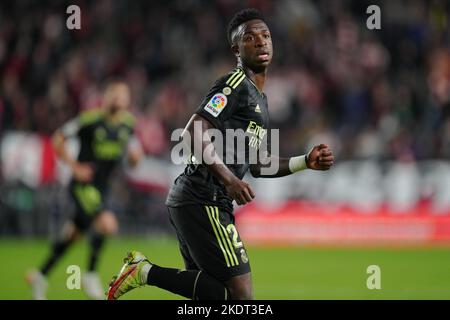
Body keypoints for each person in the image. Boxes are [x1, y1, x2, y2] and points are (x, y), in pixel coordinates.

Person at [107, 8, 334, 300]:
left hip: (200, 199)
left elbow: (259, 164)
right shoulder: (235, 84)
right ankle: (143, 271)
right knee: (241, 298)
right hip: (204, 197)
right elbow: (193, 130)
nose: (261, 42)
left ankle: (144, 271)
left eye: (265, 36)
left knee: (214, 297)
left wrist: (305, 161)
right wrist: (228, 179)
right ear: (236, 48)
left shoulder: (260, 99)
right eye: (249, 38)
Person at [27, 81, 143, 300]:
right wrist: (75, 167)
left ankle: (40, 275)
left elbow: (135, 157)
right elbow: (58, 138)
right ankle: (90, 274)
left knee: (73, 235)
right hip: (83, 186)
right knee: (107, 224)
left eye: (123, 95)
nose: (119, 99)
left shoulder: (128, 124)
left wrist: (135, 159)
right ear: (106, 97)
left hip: (103, 189)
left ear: (128, 100)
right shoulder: (90, 120)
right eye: (115, 94)